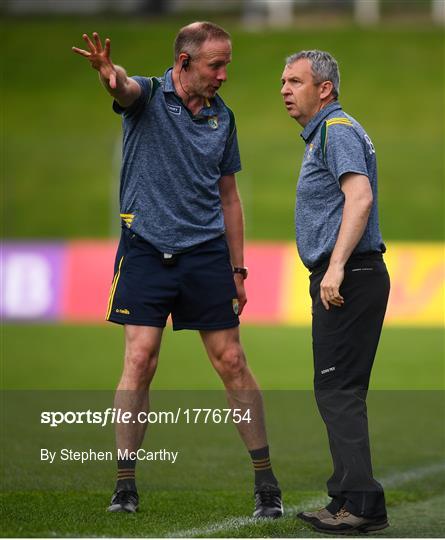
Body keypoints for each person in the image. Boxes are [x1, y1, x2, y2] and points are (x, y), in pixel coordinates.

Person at [72, 22, 282, 518]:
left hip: (207, 253)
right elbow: (122, 86)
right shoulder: (147, 96)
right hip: (145, 249)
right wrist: (108, 73)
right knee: (140, 360)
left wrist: (239, 269)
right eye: (216, 64)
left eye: (227, 63)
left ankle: (266, 483)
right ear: (185, 63)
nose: (224, 74)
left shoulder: (223, 119)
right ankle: (125, 484)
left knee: (232, 361)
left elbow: (229, 198)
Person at [280, 50, 390, 533]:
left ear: (324, 88)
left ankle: (361, 506)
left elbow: (359, 196)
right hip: (353, 275)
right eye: (283, 81)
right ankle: (346, 498)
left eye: (296, 81)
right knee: (339, 390)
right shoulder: (330, 131)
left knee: (336, 389)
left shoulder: (336, 130)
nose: (285, 89)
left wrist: (336, 267)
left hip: (349, 275)